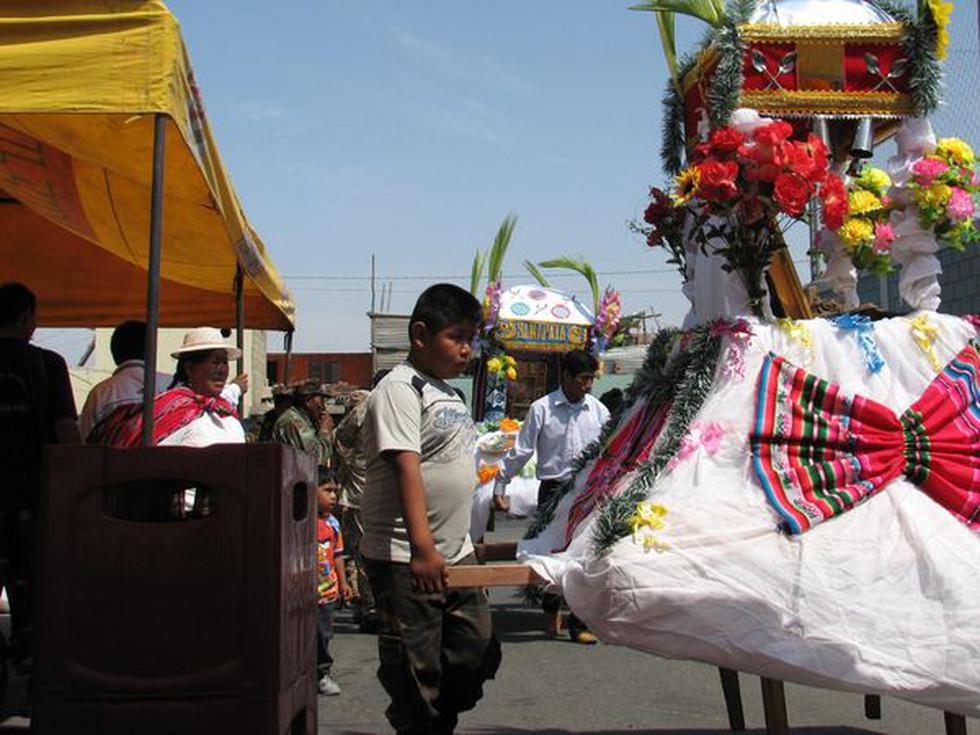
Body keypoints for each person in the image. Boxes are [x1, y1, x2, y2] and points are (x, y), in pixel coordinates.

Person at [361, 283, 500, 735]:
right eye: (456, 337)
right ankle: (419, 723)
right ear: (420, 335)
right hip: (406, 557)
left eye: (471, 339)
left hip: (453, 552)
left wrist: (462, 542)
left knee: (476, 648)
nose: (466, 349)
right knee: (414, 670)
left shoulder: (451, 395)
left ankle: (435, 720)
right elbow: (407, 468)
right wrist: (422, 548)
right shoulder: (400, 389)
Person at [493, 349, 609, 645]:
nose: (587, 385)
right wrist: (500, 485)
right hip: (552, 491)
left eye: (591, 379)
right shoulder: (541, 409)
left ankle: (579, 621)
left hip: (586, 492)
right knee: (550, 552)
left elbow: (610, 453)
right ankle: (550, 610)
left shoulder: (598, 411)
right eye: (582, 378)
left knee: (584, 554)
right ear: (566, 376)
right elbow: (522, 450)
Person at [0, 282, 81, 670]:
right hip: (31, 501)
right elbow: (66, 431)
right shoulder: (47, 365)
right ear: (28, 318)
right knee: (31, 591)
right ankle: (29, 663)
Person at [83, 322, 248, 446]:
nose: (222, 370)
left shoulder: (224, 411)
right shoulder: (170, 407)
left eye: (224, 363)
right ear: (190, 368)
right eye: (215, 362)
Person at [315, 471, 349, 696]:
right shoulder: (300, 520)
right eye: (327, 490)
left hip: (327, 592)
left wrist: (344, 583)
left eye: (335, 491)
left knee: (324, 635)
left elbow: (338, 555)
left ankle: (321, 674)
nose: (333, 496)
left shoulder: (333, 524)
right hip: (302, 593)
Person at [270, 380, 334, 481]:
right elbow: (315, 460)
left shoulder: (305, 420)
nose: (323, 406)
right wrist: (325, 431)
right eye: (321, 400)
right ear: (308, 401)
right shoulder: (293, 422)